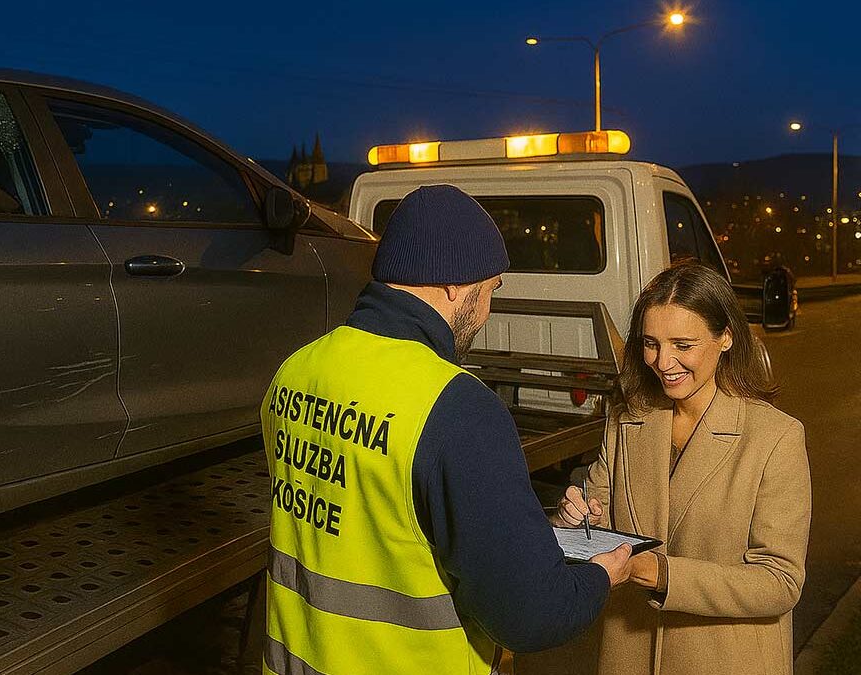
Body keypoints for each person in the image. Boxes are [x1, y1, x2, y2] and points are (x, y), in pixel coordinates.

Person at [260, 184, 632, 675]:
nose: (487, 312)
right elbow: (531, 614)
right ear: (456, 284)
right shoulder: (457, 408)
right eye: (491, 289)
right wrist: (599, 578)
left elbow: (367, 521)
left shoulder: (295, 372)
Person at [553, 261, 811, 675]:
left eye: (683, 345)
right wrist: (580, 518)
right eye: (650, 343)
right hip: (628, 655)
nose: (663, 362)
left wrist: (658, 572)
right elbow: (597, 514)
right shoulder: (627, 419)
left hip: (728, 662)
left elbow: (779, 582)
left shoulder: (775, 437)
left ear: (725, 337)